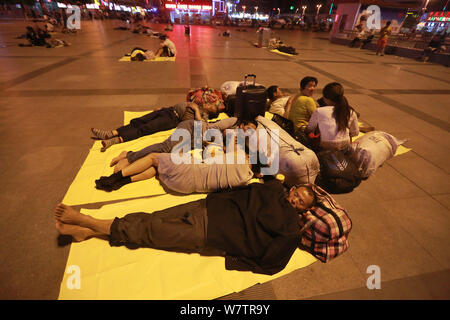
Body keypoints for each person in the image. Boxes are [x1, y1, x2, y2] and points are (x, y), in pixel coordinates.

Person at [54, 179, 317, 275]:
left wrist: (235, 259)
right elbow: (241, 187)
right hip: (207, 206)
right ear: (293, 189)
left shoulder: (290, 228)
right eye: (297, 194)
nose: (295, 200)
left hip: (207, 233)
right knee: (151, 217)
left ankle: (87, 223)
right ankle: (89, 231)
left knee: (150, 232)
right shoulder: (271, 188)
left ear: (304, 210)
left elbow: (272, 264)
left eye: (301, 203)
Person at [95, 121, 258, 193]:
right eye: (248, 128)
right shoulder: (245, 178)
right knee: (160, 163)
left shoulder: (238, 153)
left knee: (155, 156)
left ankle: (116, 176)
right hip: (184, 185)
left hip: (188, 167)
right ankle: (123, 179)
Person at [91, 102, 217, 151]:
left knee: (145, 128)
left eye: (213, 106)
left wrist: (195, 110)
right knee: (137, 121)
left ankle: (114, 140)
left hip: (172, 119)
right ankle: (111, 133)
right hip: (167, 110)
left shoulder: (203, 116)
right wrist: (163, 108)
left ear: (212, 112)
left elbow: (198, 125)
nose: (210, 104)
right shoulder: (198, 104)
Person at [305, 82, 359, 152]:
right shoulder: (350, 111)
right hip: (344, 146)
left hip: (325, 146)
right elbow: (355, 133)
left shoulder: (319, 111)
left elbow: (309, 129)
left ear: (326, 98)